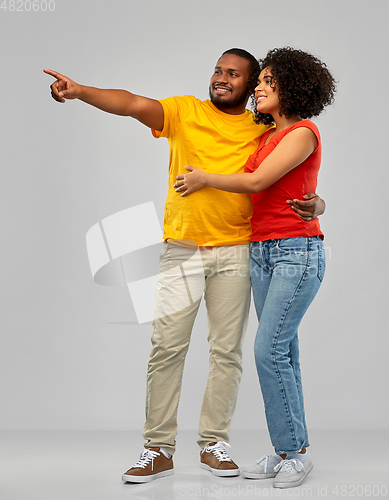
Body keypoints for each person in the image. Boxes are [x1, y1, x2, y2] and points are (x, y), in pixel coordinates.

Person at [44, 48, 326, 483]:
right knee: (167, 347)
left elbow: (289, 177)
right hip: (182, 247)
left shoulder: (264, 127)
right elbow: (133, 103)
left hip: (238, 250)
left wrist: (320, 203)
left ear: (252, 86)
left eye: (234, 74)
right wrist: (81, 91)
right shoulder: (184, 111)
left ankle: (215, 442)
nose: (222, 78)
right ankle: (157, 448)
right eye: (218, 70)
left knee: (227, 352)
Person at [174, 47, 336, 489]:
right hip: (262, 251)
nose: (258, 87)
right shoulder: (265, 138)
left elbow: (258, 182)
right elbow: (285, 189)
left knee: (268, 350)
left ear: (293, 88)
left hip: (296, 253)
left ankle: (293, 451)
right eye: (259, 80)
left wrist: (205, 177)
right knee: (285, 352)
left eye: (268, 81)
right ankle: (291, 450)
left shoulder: (303, 132)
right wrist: (318, 200)